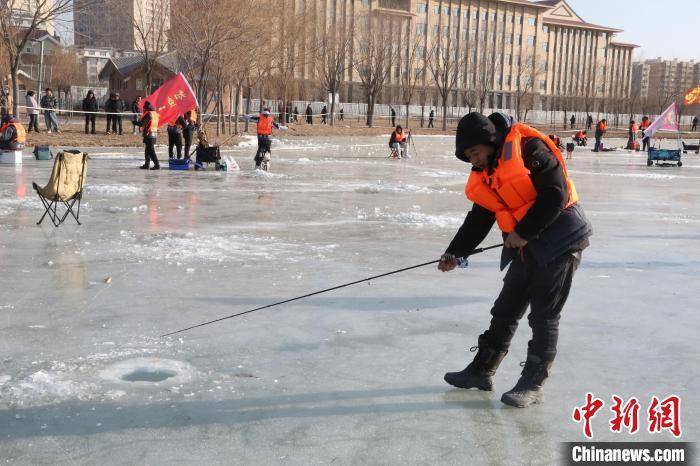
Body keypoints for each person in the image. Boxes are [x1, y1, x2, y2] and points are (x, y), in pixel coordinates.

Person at [440, 112, 592, 408]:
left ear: (489, 141)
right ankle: (482, 371)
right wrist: (455, 253)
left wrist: (522, 232)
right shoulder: (489, 171)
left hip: (562, 240)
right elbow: (479, 218)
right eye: (467, 156)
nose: (473, 161)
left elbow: (555, 194)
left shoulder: (529, 149)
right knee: (506, 309)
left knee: (543, 316)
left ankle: (533, 383)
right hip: (527, 244)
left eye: (474, 152)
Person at [136, 101, 160, 170]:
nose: (143, 110)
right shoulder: (154, 113)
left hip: (149, 134)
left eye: (144, 108)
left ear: (146, 108)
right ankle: (147, 164)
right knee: (147, 150)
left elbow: (142, 124)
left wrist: (134, 122)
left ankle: (157, 165)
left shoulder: (148, 114)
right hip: (153, 133)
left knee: (151, 151)